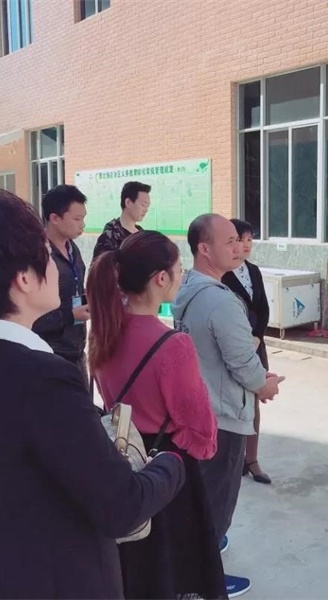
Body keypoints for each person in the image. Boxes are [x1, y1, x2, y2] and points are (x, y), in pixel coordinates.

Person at [0, 187, 185, 599]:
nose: (55, 267)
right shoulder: (44, 379)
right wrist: (170, 465)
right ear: (24, 279)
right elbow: (122, 506)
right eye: (45, 255)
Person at [88, 231, 227, 599]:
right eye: (179, 269)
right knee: (172, 570)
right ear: (161, 278)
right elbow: (202, 432)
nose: (181, 277)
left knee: (135, 570)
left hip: (122, 457)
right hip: (165, 465)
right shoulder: (172, 344)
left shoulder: (103, 331)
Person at [172, 214, 284, 598]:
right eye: (230, 241)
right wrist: (264, 385)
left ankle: (200, 558)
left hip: (198, 408)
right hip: (222, 417)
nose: (239, 247)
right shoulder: (221, 301)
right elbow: (244, 365)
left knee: (200, 500)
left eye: (240, 240)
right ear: (204, 249)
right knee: (216, 503)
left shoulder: (187, 288)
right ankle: (201, 584)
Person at [222, 219, 272, 485]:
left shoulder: (253, 270)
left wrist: (258, 336)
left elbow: (263, 308)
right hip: (233, 346)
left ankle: (251, 459)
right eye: (240, 239)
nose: (245, 245)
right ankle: (233, 458)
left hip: (255, 345)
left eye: (250, 239)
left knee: (253, 401)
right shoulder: (221, 274)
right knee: (232, 401)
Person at [32, 184, 90, 385]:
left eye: (83, 218)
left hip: (77, 350)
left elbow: (75, 291)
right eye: (77, 219)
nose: (82, 225)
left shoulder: (73, 249)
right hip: (49, 353)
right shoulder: (38, 255)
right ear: (55, 218)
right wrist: (70, 316)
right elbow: (31, 315)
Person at [92, 181, 151, 262]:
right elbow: (98, 267)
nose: (146, 210)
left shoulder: (141, 234)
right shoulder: (110, 235)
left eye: (147, 206)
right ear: (128, 202)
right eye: (143, 205)